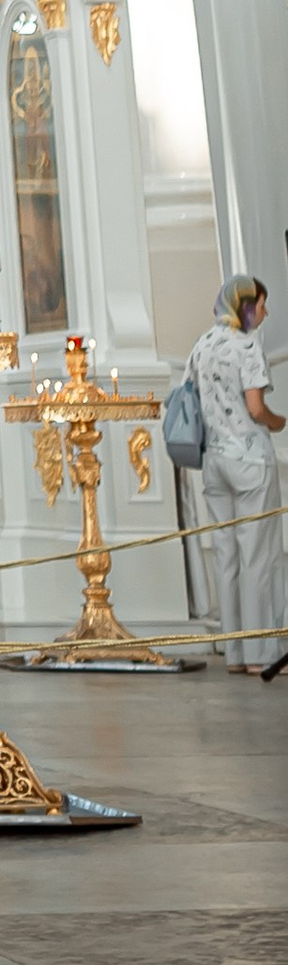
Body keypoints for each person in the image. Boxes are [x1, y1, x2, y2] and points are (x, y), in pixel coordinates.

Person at [187, 276, 285, 671]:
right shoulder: (247, 346)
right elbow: (257, 409)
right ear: (245, 307)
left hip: (214, 462)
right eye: (261, 304)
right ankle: (263, 654)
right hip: (250, 461)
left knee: (225, 557)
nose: (265, 312)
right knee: (259, 558)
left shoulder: (203, 344)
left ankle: (235, 653)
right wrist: (280, 422)